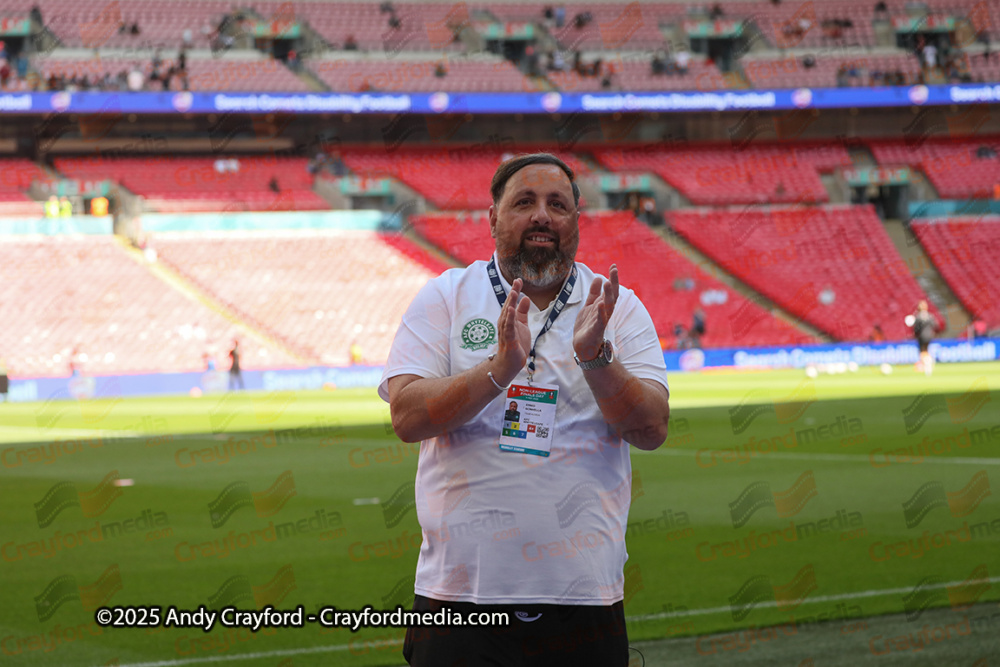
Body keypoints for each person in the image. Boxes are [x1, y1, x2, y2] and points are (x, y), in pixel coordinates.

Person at [381, 153, 670, 666]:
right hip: (458, 599)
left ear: (576, 218)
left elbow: (650, 428)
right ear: (493, 217)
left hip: (584, 599)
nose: (542, 215)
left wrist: (595, 358)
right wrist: (498, 369)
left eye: (557, 204)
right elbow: (406, 417)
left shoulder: (615, 306)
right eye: (524, 202)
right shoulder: (447, 295)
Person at [910, 300, 939, 376]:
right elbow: (936, 325)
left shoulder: (918, 316)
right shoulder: (930, 316)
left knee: (922, 352)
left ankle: (927, 365)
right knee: (926, 350)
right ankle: (927, 363)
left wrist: (915, 335)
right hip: (929, 336)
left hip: (922, 336)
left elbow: (916, 328)